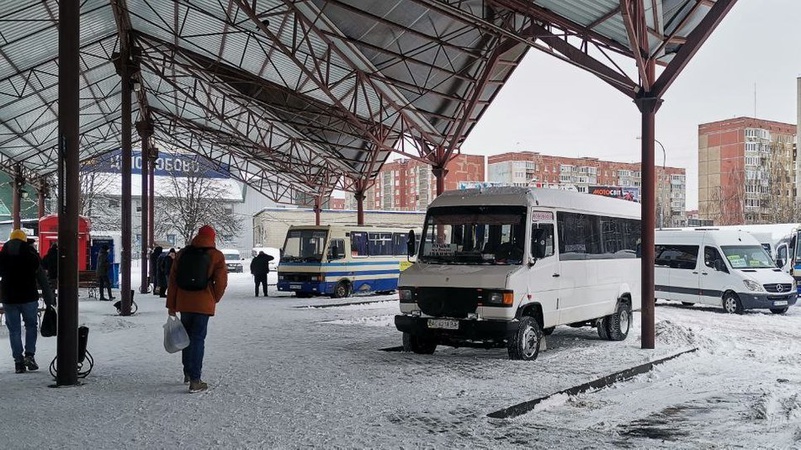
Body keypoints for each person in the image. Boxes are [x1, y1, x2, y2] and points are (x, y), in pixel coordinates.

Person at [167, 225, 228, 393]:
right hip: (203, 303)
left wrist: (171, 305)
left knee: (185, 337)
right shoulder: (216, 256)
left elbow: (172, 281)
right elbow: (221, 282)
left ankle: (187, 372)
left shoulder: (182, 254)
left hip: (184, 302)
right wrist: (214, 297)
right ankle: (195, 379)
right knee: (198, 339)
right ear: (212, 237)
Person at [0, 229, 55, 373]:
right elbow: (42, 279)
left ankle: (18, 362)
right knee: (31, 326)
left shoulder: (3, 255)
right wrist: (50, 300)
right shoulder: (31, 255)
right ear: (24, 240)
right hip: (28, 297)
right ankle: (29, 355)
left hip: (9, 298)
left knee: (14, 331)